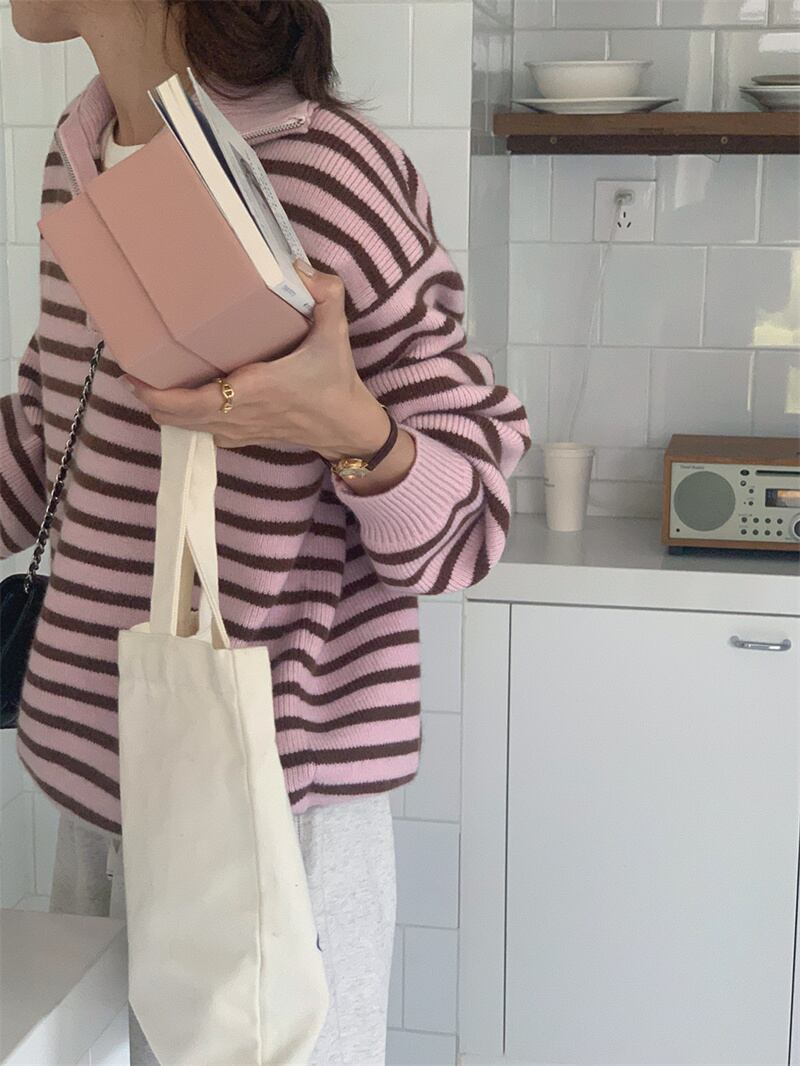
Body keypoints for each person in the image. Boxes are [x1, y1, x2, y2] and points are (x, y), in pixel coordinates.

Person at [1, 1, 531, 1062]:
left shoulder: (330, 173)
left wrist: (348, 426)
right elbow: (50, 437)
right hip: (98, 785)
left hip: (278, 816)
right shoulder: (81, 154)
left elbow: (467, 525)